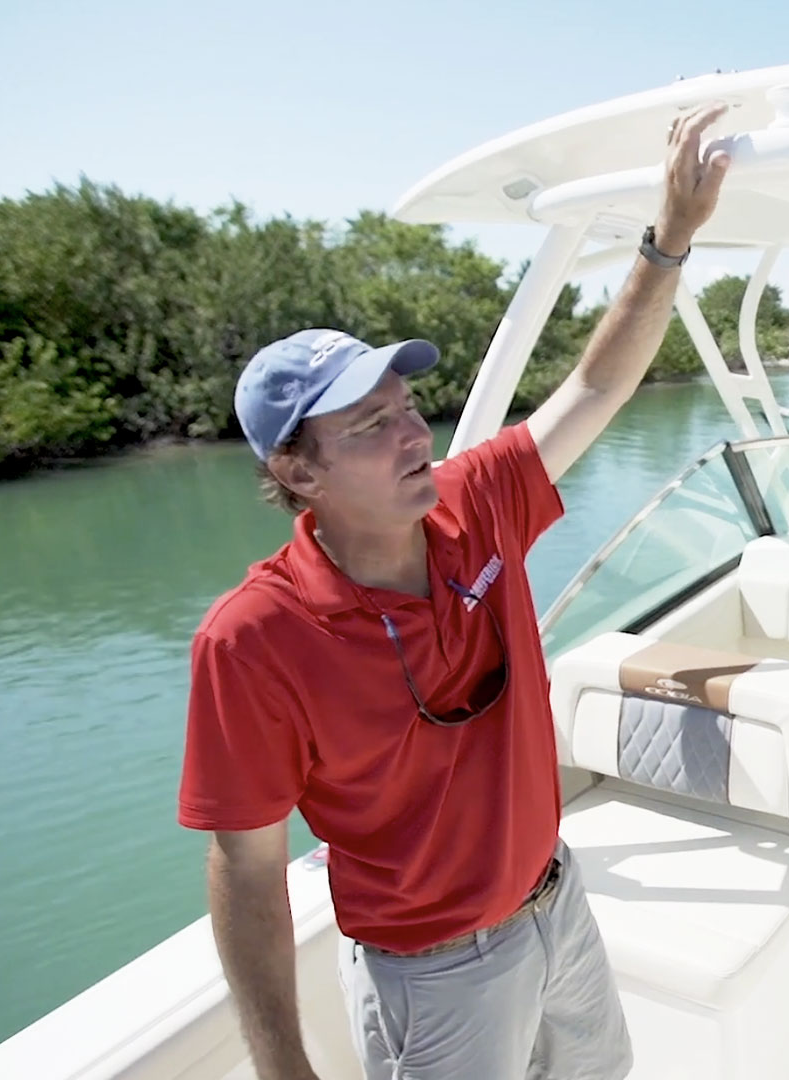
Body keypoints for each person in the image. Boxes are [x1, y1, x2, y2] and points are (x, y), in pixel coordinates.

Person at [176, 104, 732, 1080]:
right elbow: (248, 868)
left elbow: (595, 391)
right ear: (298, 473)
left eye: (407, 409)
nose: (413, 436)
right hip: (437, 976)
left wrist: (668, 241)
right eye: (369, 426)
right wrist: (282, 1067)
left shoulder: (476, 503)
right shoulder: (253, 639)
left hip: (557, 903)